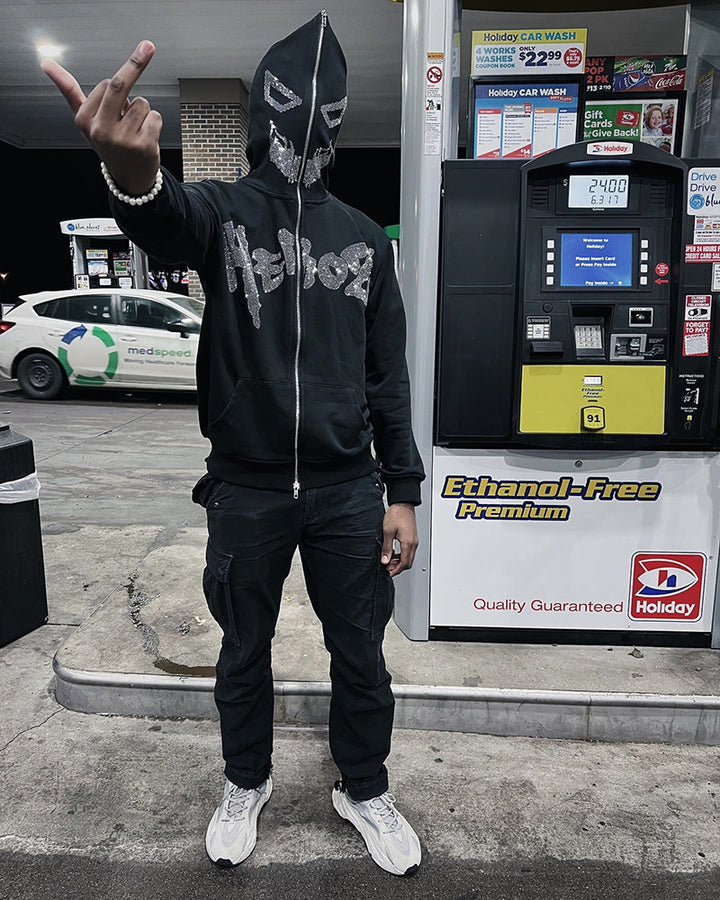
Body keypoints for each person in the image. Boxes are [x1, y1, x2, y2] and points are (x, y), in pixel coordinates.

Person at [42, 12, 425, 878]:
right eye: (292, 100)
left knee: (360, 652)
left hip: (347, 489)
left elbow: (387, 377)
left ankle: (362, 787)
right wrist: (129, 173)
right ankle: (243, 781)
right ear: (264, 112)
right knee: (243, 649)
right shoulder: (223, 213)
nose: (308, 118)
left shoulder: (364, 239)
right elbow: (163, 219)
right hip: (246, 488)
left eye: (327, 105)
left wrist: (401, 489)